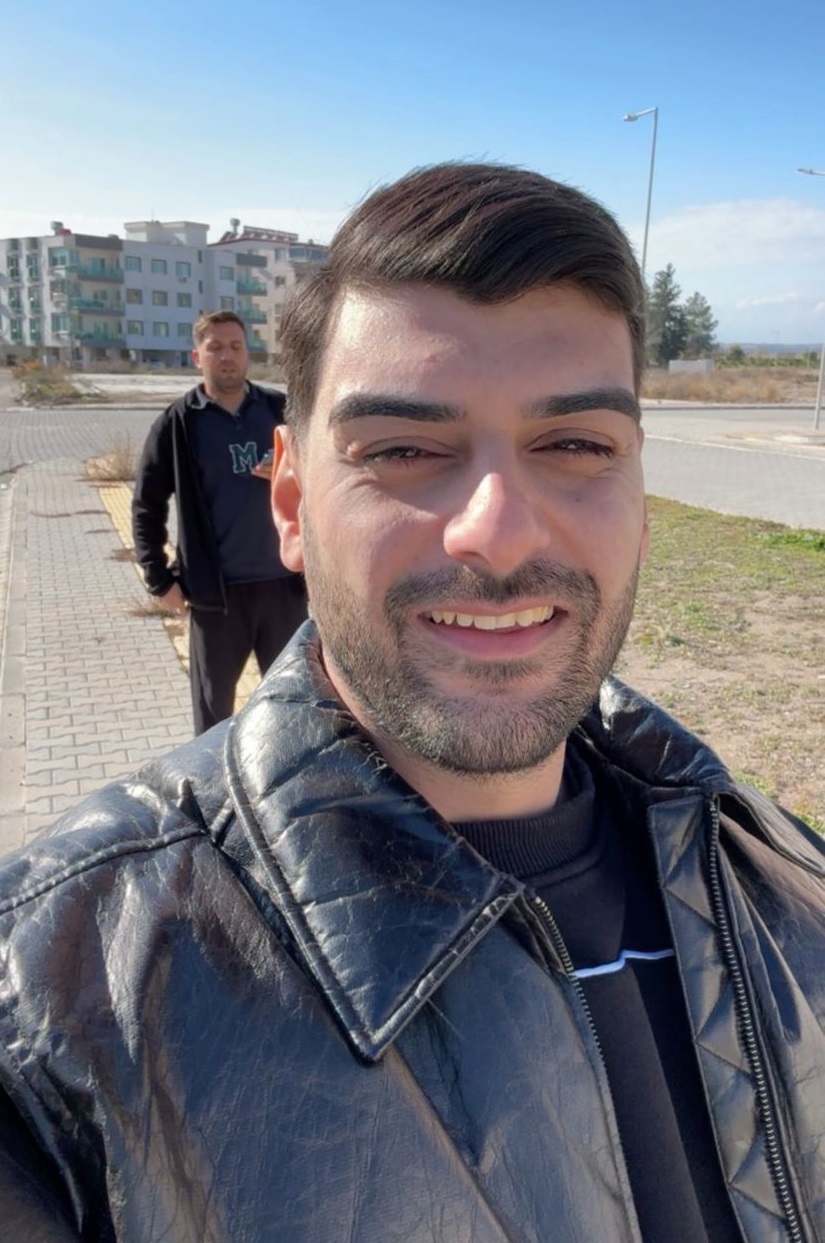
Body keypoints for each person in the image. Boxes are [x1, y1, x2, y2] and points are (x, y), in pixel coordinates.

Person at [0, 164, 823, 1243]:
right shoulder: (59, 1014)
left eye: (577, 444)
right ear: (291, 500)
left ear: (638, 491)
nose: (499, 529)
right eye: (402, 450)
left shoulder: (783, 878)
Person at [131, 309, 306, 734]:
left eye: (235, 346)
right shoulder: (178, 423)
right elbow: (146, 506)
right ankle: (217, 779)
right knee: (213, 715)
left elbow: (328, 473)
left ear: (247, 353)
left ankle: (283, 773)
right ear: (197, 356)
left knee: (293, 705)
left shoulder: (280, 410)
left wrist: (293, 468)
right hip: (216, 596)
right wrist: (159, 580)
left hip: (283, 587)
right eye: (216, 348)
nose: (227, 356)